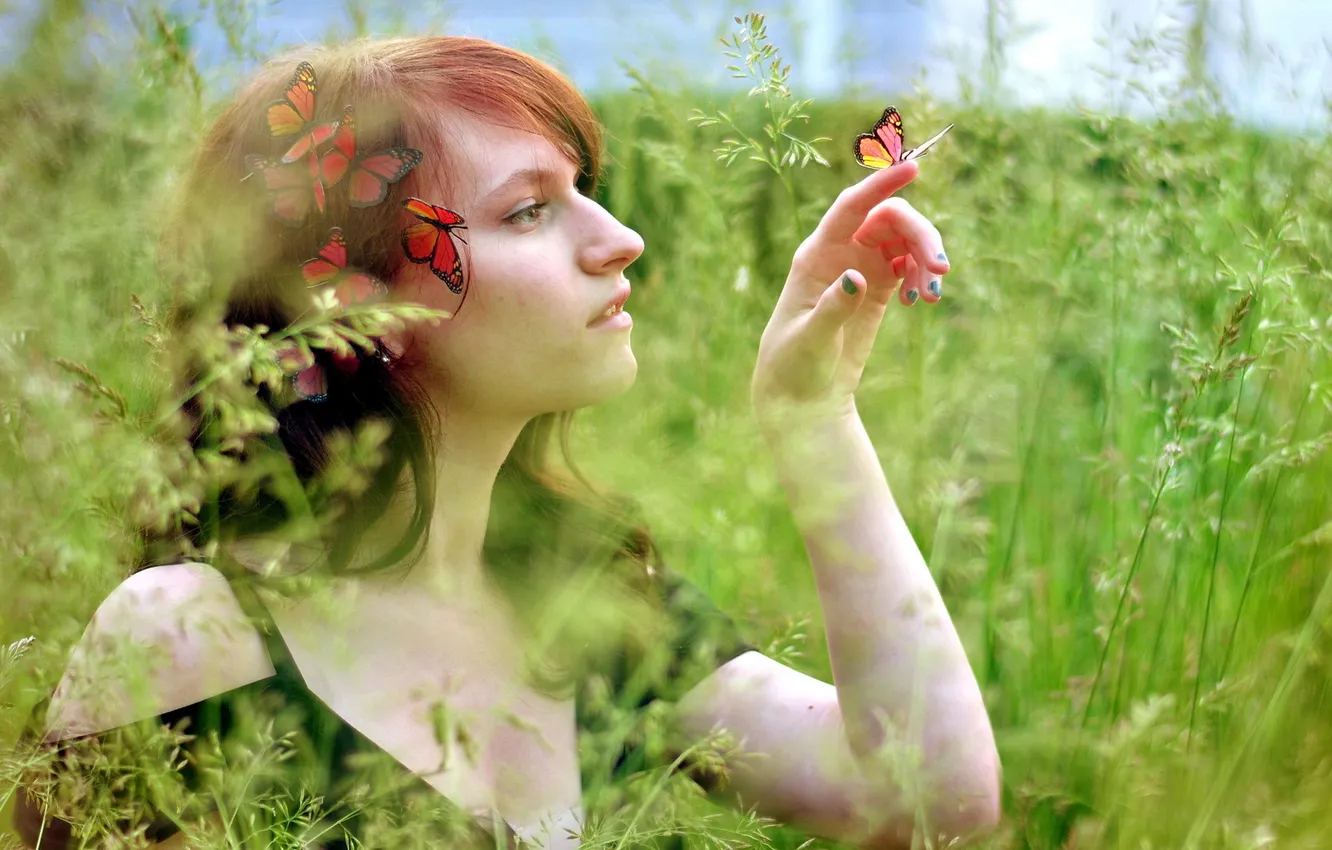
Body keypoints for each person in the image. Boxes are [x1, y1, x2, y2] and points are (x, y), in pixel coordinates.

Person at [13, 35, 1000, 850]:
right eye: (528, 210)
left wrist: (813, 417)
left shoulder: (588, 600)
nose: (620, 237)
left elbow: (925, 801)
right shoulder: (188, 639)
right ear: (355, 302)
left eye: (582, 187)